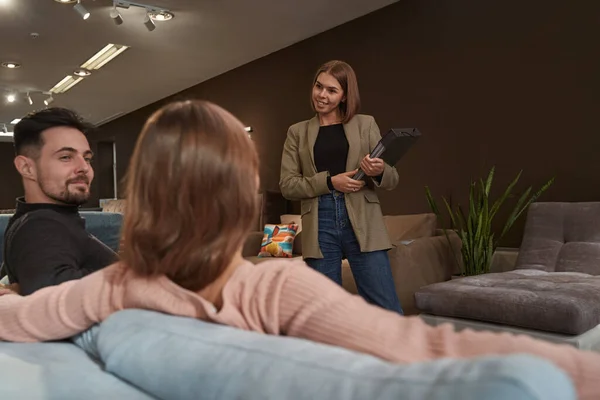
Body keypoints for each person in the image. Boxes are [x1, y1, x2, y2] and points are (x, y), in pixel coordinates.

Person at [0, 100, 598, 400]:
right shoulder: (272, 287)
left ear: (139, 198)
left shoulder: (110, 290)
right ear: (240, 197)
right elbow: (426, 344)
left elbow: (23, 313)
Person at [279, 60, 402, 313]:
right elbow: (288, 186)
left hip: (363, 220)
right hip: (319, 221)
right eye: (318, 86)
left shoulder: (365, 124)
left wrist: (378, 171)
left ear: (345, 95)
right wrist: (329, 181)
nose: (321, 95)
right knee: (325, 313)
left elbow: (393, 179)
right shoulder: (297, 132)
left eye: (332, 90)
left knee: (385, 309)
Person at [0, 108, 118, 296]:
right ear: (27, 168)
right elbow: (57, 300)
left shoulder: (45, 220)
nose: (84, 168)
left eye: (87, 159)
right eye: (66, 157)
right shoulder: (41, 225)